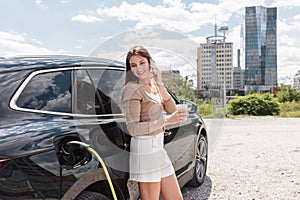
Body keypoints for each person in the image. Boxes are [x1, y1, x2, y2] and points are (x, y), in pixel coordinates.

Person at [122, 45, 188, 200]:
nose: (138, 69)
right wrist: (166, 121)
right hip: (145, 148)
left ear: (150, 62)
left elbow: (172, 109)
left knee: (176, 198)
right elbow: (133, 128)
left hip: (158, 148)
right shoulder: (131, 89)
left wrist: (159, 83)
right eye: (133, 65)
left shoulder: (154, 86)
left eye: (142, 62)